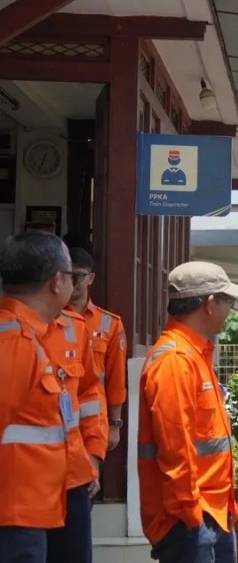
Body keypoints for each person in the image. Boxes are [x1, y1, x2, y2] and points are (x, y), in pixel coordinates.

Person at [137, 261, 238, 563]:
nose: (231, 311)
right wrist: (191, 514)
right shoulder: (176, 360)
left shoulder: (193, 356)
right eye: (230, 302)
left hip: (210, 513)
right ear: (210, 304)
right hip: (191, 519)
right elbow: (176, 449)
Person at [0, 232, 76, 563]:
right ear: (56, 281)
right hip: (13, 518)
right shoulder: (14, 339)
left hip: (26, 512)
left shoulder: (26, 334)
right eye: (72, 274)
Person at [43, 302, 106, 563]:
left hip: (73, 476)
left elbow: (90, 391)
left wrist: (93, 453)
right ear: (56, 281)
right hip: (19, 483)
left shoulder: (75, 327)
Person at [66, 247, 128, 452]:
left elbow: (116, 379)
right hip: (56, 421)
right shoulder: (49, 317)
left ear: (91, 278)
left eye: (79, 276)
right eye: (68, 275)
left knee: (90, 481)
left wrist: (115, 424)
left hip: (93, 423)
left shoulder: (109, 324)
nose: (73, 282)